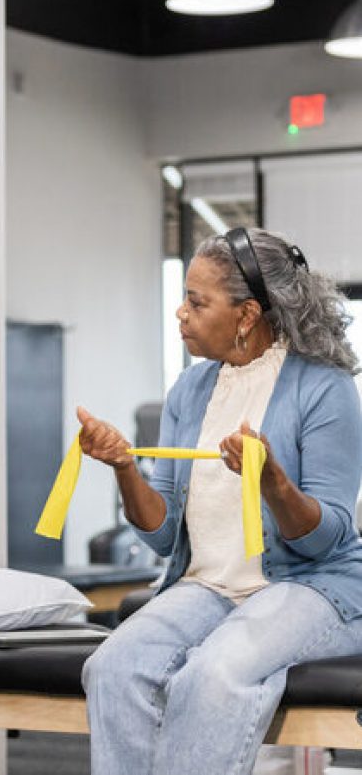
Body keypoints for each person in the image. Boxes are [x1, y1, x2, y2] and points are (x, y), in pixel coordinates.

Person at [78, 227, 362, 775]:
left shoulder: (324, 387)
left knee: (213, 677)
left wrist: (274, 484)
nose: (181, 314)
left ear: (247, 314)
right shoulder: (190, 390)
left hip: (308, 586)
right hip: (208, 586)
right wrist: (123, 469)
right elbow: (163, 533)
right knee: (113, 665)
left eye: (195, 301)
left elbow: (327, 536)